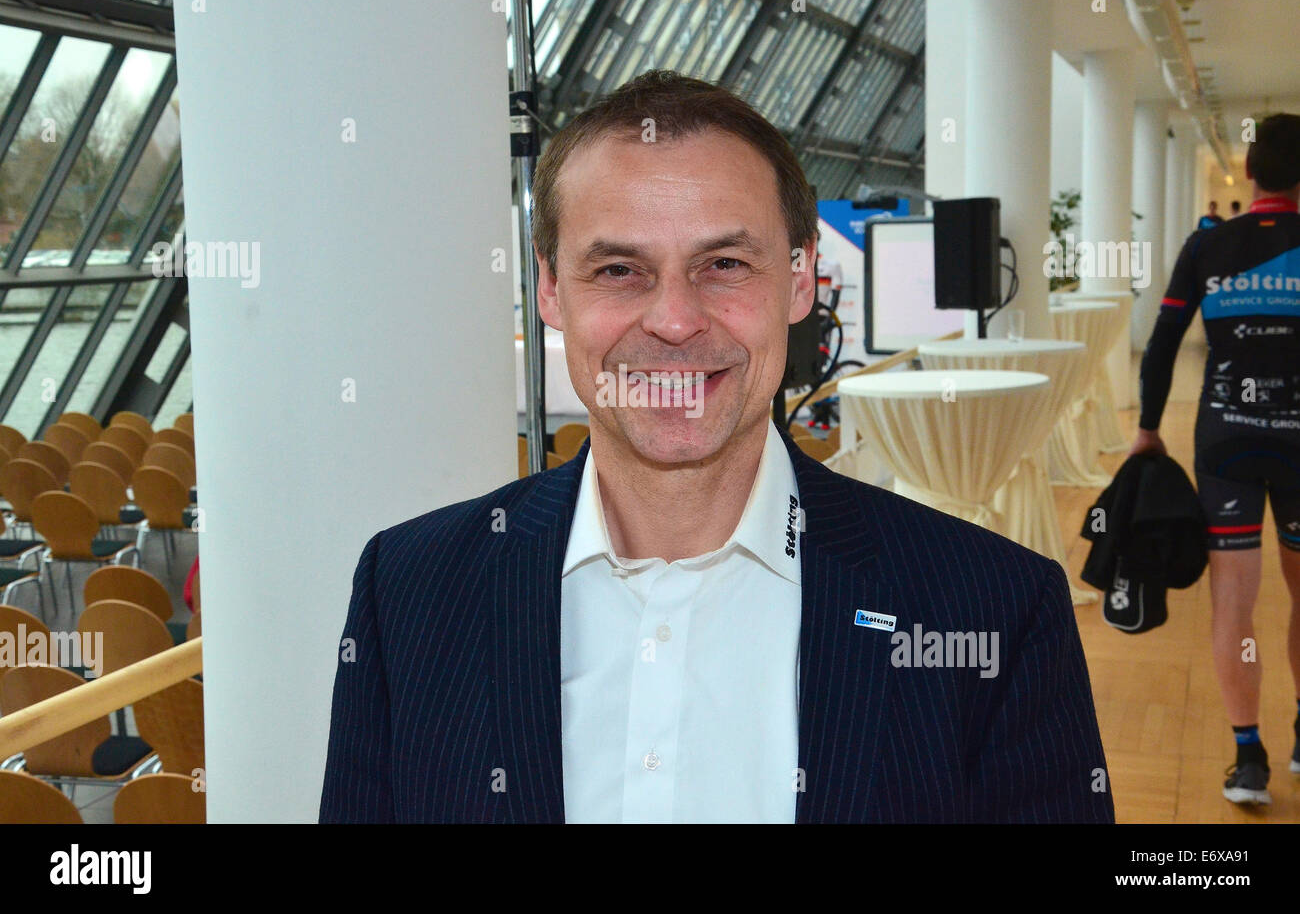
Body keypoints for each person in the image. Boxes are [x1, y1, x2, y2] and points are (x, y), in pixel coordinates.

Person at [320, 70, 1113, 824]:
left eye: (724, 264)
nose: (673, 319)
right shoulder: (410, 595)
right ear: (551, 289)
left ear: (801, 280)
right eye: (620, 268)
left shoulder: (994, 611)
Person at [1133, 113, 1300, 806]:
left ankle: (1248, 756)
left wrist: (1147, 427)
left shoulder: (1209, 245)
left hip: (1225, 440)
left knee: (1233, 602)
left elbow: (1165, 340)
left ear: (1251, 172)